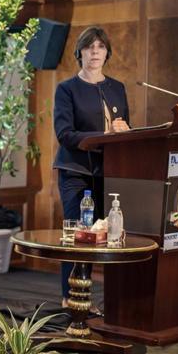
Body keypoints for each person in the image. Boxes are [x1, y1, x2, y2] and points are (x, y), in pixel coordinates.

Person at [53, 26, 129, 301]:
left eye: (100, 47)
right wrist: (103, 135)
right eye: (89, 47)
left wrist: (124, 130)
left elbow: (122, 130)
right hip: (75, 172)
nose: (95, 52)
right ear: (80, 53)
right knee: (78, 234)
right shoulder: (66, 89)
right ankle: (71, 298)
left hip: (108, 172)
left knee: (101, 235)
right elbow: (65, 134)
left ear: (107, 52)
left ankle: (88, 297)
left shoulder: (117, 88)